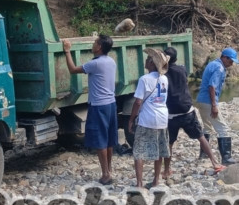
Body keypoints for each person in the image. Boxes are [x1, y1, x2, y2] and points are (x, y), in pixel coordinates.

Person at [63, 35, 118, 185]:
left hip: (99, 105)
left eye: (95, 42)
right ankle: (109, 170)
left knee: (100, 140)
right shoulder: (111, 61)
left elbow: (73, 70)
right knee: (109, 139)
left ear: (99, 47)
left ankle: (106, 174)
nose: (92, 44)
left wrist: (67, 51)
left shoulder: (96, 64)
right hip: (111, 104)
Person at [163, 47, 226, 177]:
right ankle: (215, 163)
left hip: (171, 113)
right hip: (186, 110)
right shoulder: (182, 69)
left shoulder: (162, 74)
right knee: (200, 136)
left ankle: (167, 170)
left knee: (169, 141)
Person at [128, 48, 170, 188]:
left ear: (152, 63)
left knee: (139, 151)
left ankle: (139, 183)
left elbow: (138, 102)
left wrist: (131, 119)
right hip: (162, 119)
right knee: (158, 151)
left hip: (147, 119)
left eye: (148, 59)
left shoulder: (144, 79)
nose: (146, 61)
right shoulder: (164, 78)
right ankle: (156, 180)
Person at [194, 47, 239, 164]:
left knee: (207, 127)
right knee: (223, 128)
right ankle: (226, 158)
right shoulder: (219, 68)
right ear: (224, 58)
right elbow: (212, 86)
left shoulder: (212, 64)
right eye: (230, 61)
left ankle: (204, 154)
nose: (231, 64)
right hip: (208, 102)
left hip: (201, 100)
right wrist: (214, 105)